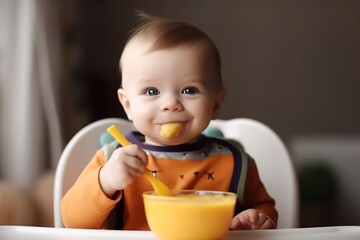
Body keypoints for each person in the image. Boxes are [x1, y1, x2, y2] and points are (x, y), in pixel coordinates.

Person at [61, 11, 278, 231]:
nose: (171, 103)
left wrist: (259, 217)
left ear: (215, 104)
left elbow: (264, 207)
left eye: (189, 90)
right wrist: (105, 182)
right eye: (152, 91)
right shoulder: (114, 159)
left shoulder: (234, 163)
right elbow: (72, 221)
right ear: (128, 105)